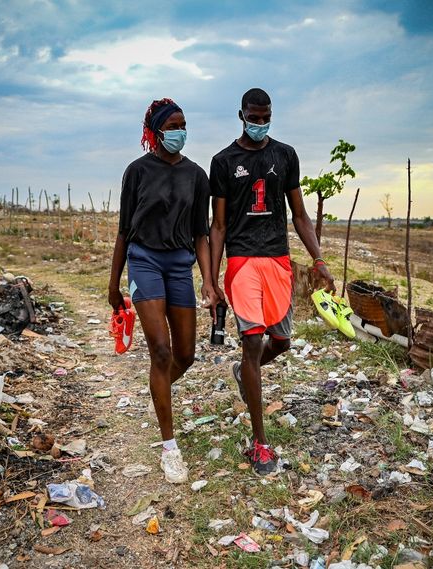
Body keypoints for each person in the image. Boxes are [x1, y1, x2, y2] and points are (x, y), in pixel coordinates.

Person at [209, 88, 335, 475]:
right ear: (241, 115)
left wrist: (318, 259)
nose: (260, 124)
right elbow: (219, 225)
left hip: (278, 261)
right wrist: (211, 280)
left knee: (281, 341)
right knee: (252, 343)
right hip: (243, 262)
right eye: (254, 118)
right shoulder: (223, 162)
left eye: (266, 118)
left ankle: (243, 372)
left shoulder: (286, 155)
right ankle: (260, 443)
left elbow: (300, 215)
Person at [108, 98, 216, 483]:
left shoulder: (196, 176)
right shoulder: (137, 172)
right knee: (162, 350)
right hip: (144, 261)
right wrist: (113, 284)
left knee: (185, 355)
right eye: (173, 126)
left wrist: (209, 281)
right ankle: (170, 450)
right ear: (155, 132)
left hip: (179, 266)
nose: (180, 132)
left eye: (184, 125)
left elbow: (201, 235)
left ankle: (158, 390)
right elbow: (124, 231)